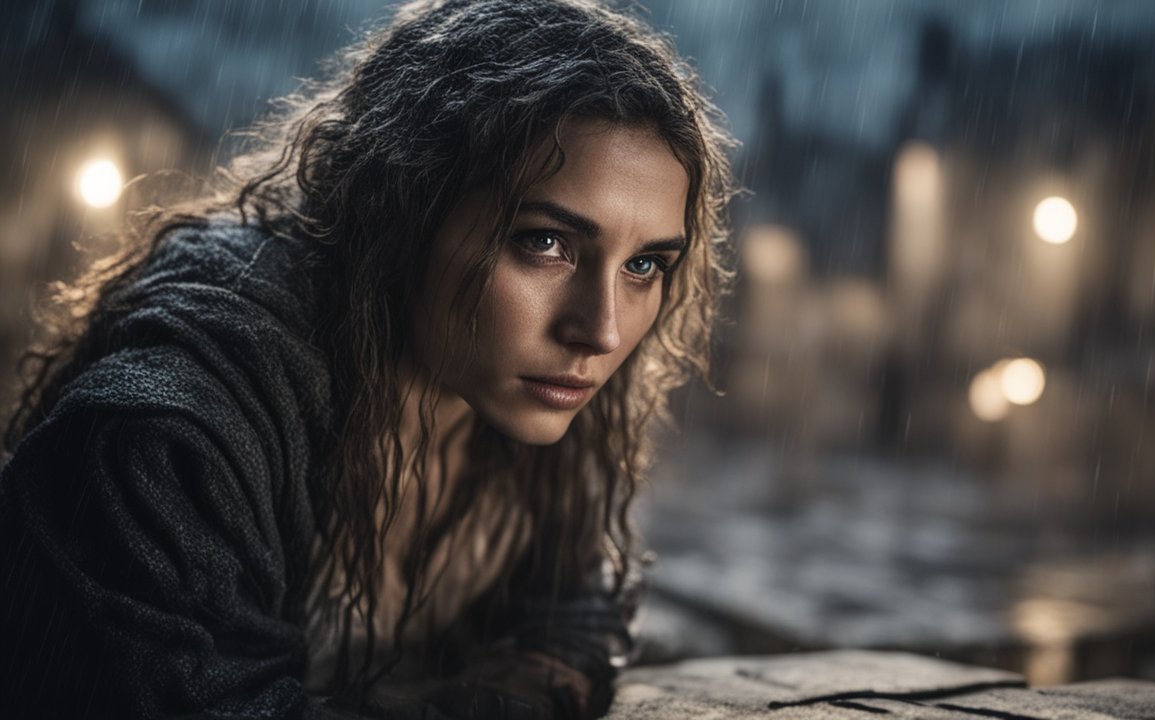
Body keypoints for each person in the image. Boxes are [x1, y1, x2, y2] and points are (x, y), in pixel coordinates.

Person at [0, 0, 735, 717]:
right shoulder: (180, 429)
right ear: (404, 207)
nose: (601, 331)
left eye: (644, 266)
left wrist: (535, 679)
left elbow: (580, 594)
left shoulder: (532, 400)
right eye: (545, 242)